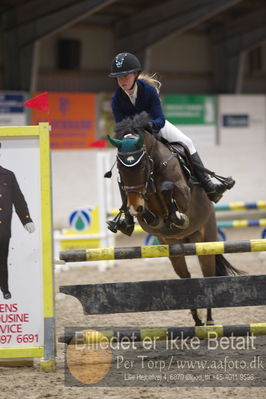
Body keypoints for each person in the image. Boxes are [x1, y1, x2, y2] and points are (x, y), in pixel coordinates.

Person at [107, 52, 235, 236]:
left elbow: (159, 118)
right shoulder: (116, 98)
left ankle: (209, 185)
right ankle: (126, 215)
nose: (121, 80)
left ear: (135, 74)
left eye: (125, 76)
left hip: (155, 127)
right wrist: (129, 136)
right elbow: (120, 125)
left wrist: (148, 127)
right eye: (118, 77)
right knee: (126, 164)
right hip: (133, 135)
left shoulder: (148, 91)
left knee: (186, 142)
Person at [0, 154, 35, 300]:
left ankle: (4, 288)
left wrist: (26, 220)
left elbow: (19, 200)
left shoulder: (8, 175)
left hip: (2, 229)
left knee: (2, 259)